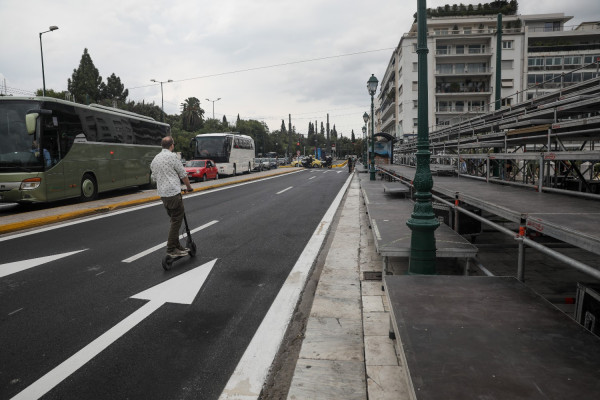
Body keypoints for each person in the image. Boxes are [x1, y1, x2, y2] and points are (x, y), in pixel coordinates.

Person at [150, 136, 194, 257]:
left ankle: (177, 246)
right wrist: (189, 188)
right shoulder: (172, 157)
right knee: (176, 221)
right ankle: (170, 249)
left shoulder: (155, 159)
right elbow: (183, 175)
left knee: (174, 220)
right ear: (172, 145)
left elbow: (153, 178)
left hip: (163, 195)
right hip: (173, 194)